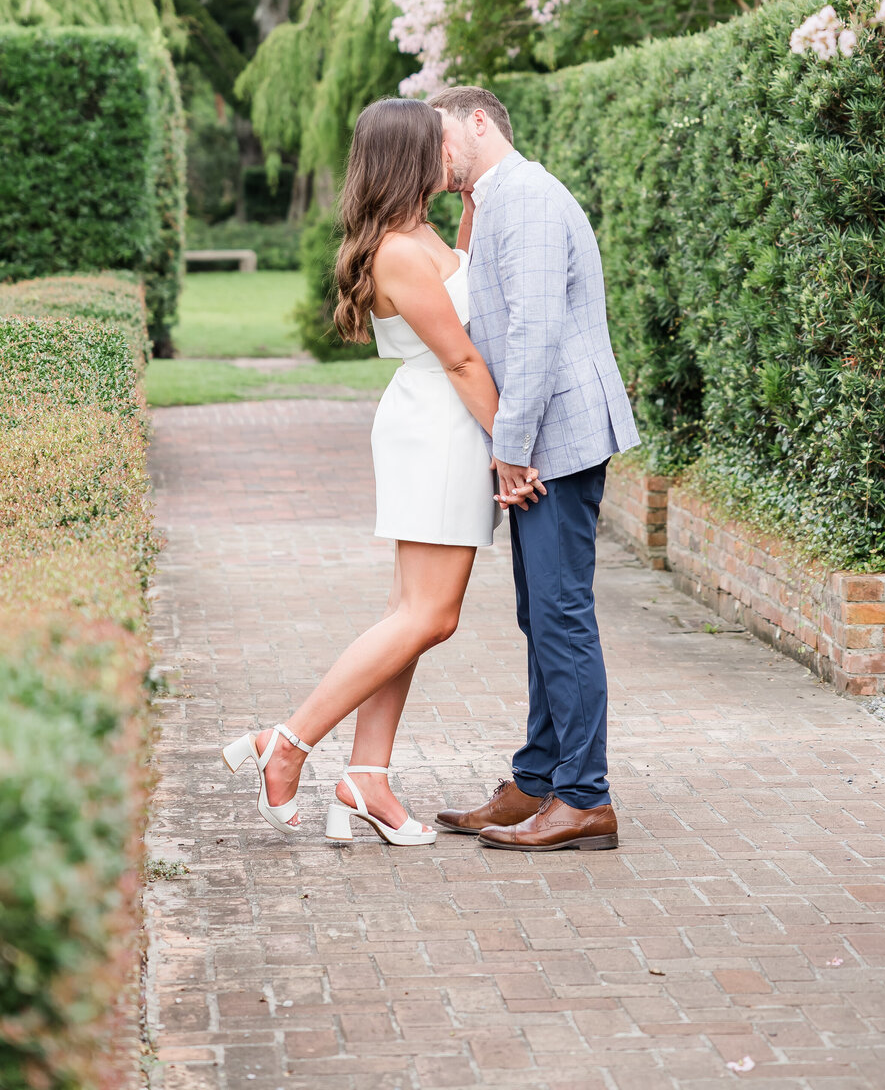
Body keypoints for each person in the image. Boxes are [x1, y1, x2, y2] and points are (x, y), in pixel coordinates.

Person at [220, 97, 540, 846]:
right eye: (438, 144)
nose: (451, 151)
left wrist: (470, 203)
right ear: (408, 157)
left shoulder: (419, 231)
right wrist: (513, 451)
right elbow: (460, 356)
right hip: (438, 428)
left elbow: (468, 286)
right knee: (431, 616)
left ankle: (367, 778)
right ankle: (289, 742)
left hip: (442, 423)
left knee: (411, 618)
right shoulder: (397, 249)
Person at [429, 86, 639, 853]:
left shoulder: (527, 199)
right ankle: (539, 779)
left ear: (478, 121)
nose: (434, 154)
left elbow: (538, 334)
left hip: (557, 439)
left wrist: (509, 446)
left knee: (560, 614)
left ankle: (584, 798)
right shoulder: (495, 201)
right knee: (540, 613)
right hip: (542, 436)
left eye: (441, 136)